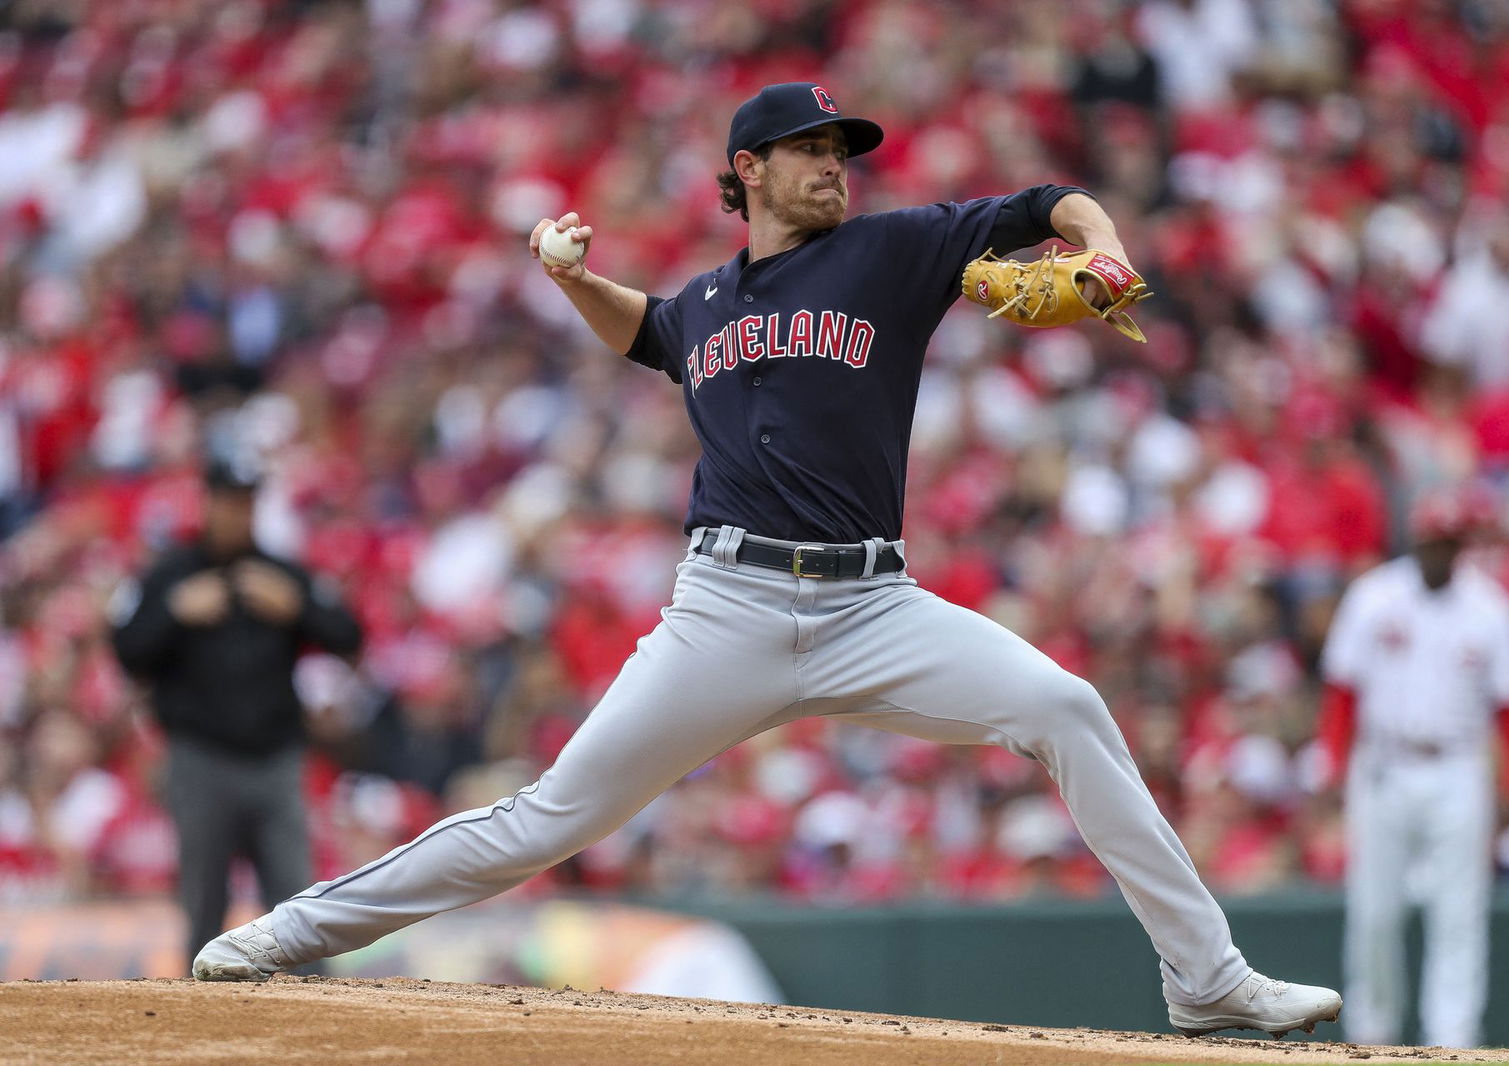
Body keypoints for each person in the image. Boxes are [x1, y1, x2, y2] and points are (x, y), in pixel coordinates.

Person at [192, 81, 1341, 1038]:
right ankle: (286, 931)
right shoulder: (704, 302)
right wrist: (568, 276)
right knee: (549, 816)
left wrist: (1100, 243)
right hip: (725, 610)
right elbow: (645, 330)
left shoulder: (891, 251)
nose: (835, 163)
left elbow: (1049, 201)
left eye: (841, 148)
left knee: (1066, 706)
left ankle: (1205, 980)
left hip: (874, 605)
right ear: (746, 170)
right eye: (808, 149)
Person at [110, 452, 363, 960]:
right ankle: (201, 1020)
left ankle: (319, 1021)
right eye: (229, 502)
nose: (238, 514)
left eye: (247, 503)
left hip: (274, 758)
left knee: (295, 900)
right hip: (200, 758)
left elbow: (349, 636)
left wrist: (299, 606)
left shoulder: (279, 574)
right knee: (204, 900)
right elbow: (127, 650)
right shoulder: (170, 575)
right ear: (207, 502)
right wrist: (174, 612)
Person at [1318, 494, 1509, 1047]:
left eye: (1447, 542)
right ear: (1415, 540)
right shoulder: (1375, 596)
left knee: (1459, 911)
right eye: (1431, 541)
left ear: (1460, 546)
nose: (1438, 551)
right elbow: (1342, 689)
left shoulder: (1490, 608)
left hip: (1458, 765)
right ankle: (1372, 1031)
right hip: (1383, 763)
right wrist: (1335, 762)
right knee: (1374, 910)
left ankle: (1453, 1036)